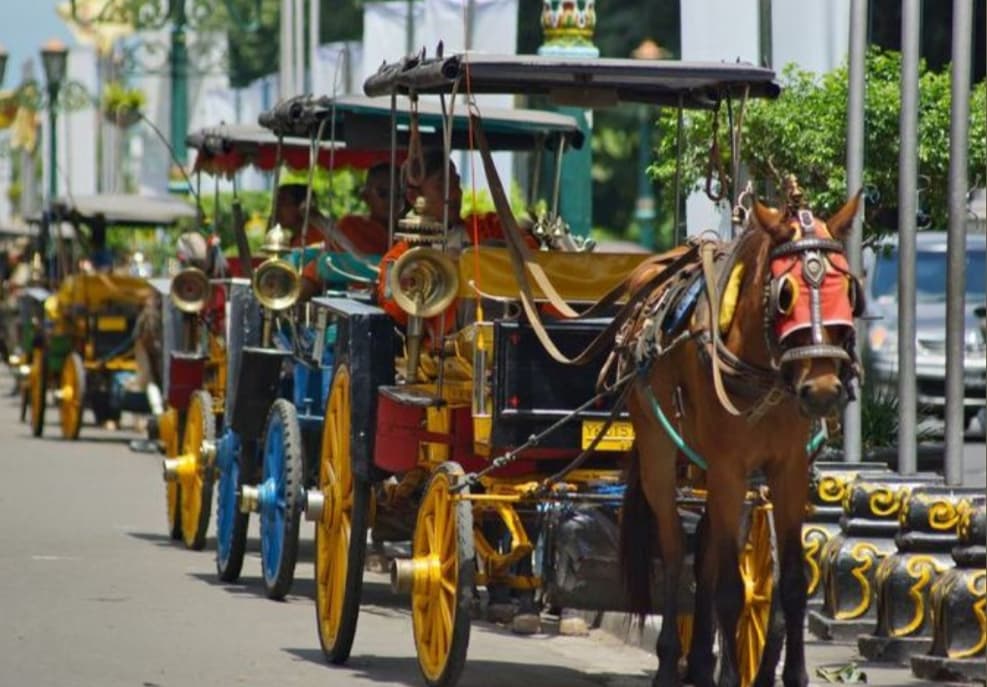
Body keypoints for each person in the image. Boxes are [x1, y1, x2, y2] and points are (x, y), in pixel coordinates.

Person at [299, 163, 398, 299]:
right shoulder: (351, 226)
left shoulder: (415, 232)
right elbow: (319, 269)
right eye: (383, 193)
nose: (392, 200)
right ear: (365, 196)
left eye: (399, 194)